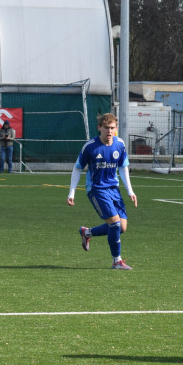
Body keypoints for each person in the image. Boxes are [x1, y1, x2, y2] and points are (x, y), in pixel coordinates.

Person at [67, 112, 137, 270]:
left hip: (114, 189)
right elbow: (77, 169)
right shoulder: (90, 147)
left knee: (121, 227)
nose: (109, 131)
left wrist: (130, 191)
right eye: (106, 128)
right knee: (115, 224)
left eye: (112, 128)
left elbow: (123, 167)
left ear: (116, 128)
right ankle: (116, 261)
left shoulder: (120, 144)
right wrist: (72, 192)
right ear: (99, 127)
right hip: (97, 189)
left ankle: (87, 233)